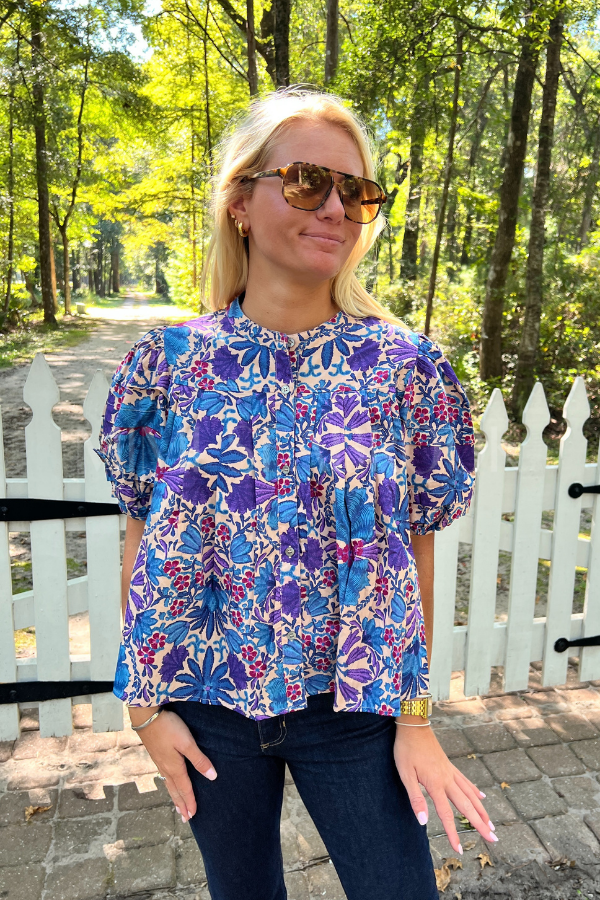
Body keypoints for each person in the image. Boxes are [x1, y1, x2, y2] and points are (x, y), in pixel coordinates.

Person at [97, 87, 494, 900]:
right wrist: (144, 710)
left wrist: (415, 718)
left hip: (354, 712)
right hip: (204, 705)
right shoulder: (166, 367)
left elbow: (413, 553)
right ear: (241, 201)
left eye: (357, 190)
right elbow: (141, 542)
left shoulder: (406, 370)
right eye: (309, 182)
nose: (337, 208)